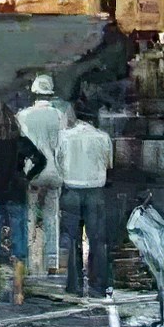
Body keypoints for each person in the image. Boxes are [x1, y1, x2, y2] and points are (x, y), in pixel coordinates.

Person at [0, 97, 46, 305]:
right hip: (16, 192)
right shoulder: (19, 141)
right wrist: (27, 177)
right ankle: (18, 291)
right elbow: (41, 160)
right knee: (19, 241)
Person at [17, 74, 69, 276]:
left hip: (32, 172)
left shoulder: (23, 116)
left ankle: (28, 261)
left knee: (29, 216)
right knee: (52, 216)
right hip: (54, 171)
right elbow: (62, 146)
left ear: (34, 93)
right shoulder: (58, 116)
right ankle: (52, 262)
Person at [57, 118, 113, 298]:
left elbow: (59, 161)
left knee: (72, 239)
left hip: (71, 190)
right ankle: (99, 284)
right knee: (97, 240)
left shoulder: (64, 137)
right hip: (95, 191)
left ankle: (75, 284)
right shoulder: (103, 137)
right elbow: (108, 164)